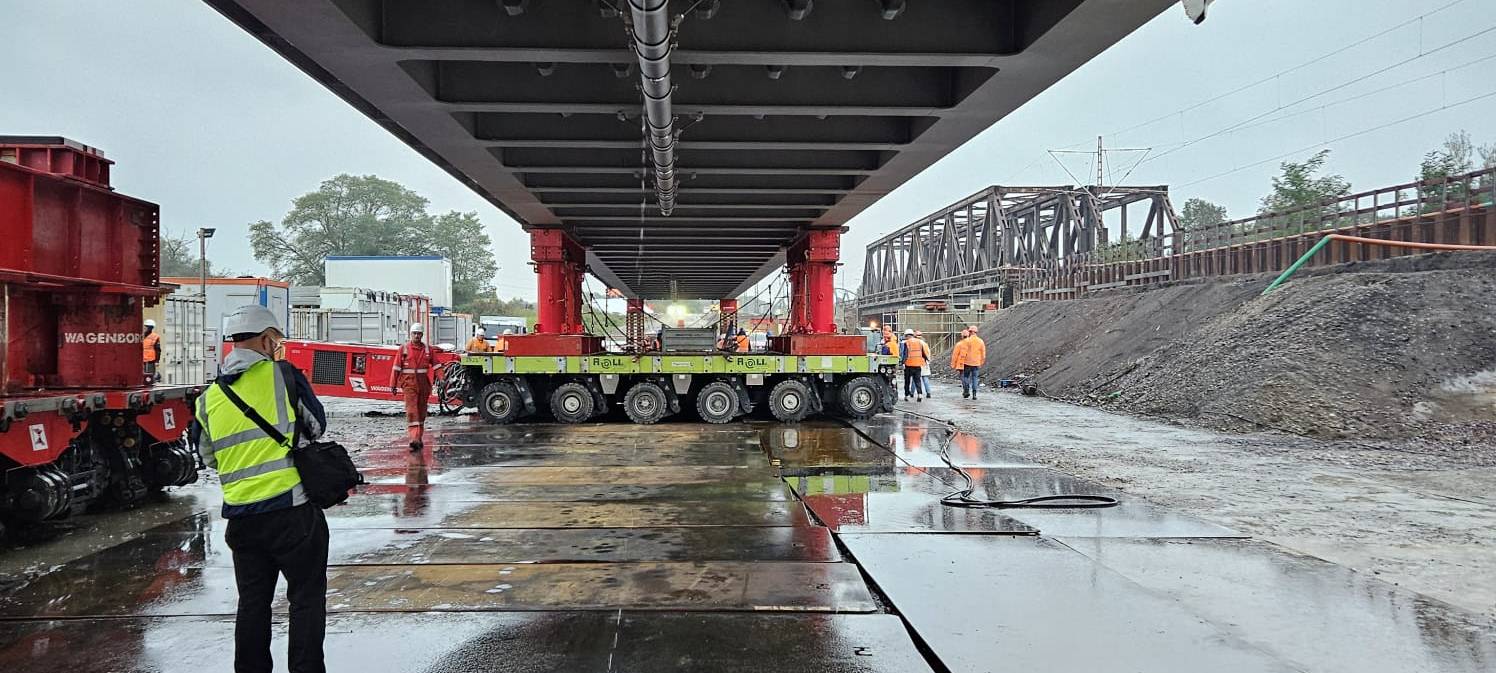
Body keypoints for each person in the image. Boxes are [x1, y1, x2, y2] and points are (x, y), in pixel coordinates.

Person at [190, 304, 329, 673]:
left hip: (240, 518)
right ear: (267, 340)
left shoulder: (208, 399)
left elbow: (208, 456)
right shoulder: (282, 375)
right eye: (276, 341)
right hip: (292, 512)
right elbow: (316, 426)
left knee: (252, 603)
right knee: (305, 598)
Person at [391, 323, 435, 452]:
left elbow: (437, 366)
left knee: (421, 412)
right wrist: (393, 384)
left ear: (422, 335)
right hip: (409, 384)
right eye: (414, 333)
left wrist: (444, 380)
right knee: (412, 411)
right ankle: (413, 439)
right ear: (410, 334)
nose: (416, 336)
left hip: (423, 385)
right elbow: (396, 368)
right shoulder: (403, 349)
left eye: (419, 333)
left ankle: (418, 438)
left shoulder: (428, 350)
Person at [900, 328, 929, 402]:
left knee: (907, 381)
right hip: (917, 364)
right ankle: (920, 394)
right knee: (917, 380)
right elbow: (923, 353)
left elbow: (905, 354)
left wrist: (902, 362)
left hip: (909, 365)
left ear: (907, 335)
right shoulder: (919, 342)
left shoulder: (906, 343)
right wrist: (926, 360)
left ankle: (907, 395)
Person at [959, 325, 986, 399]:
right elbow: (983, 354)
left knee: (966, 376)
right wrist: (981, 362)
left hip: (967, 362)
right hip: (976, 363)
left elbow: (963, 353)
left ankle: (966, 390)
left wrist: (961, 362)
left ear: (970, 332)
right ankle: (974, 394)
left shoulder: (967, 341)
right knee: (975, 378)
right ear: (976, 332)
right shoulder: (980, 341)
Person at [142, 319, 162, 384]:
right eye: (145, 326)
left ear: (151, 328)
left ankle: (150, 386)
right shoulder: (140, 335)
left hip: (150, 360)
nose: (145, 328)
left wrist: (157, 361)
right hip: (141, 360)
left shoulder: (155, 336)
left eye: (147, 327)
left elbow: (158, 350)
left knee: (149, 377)